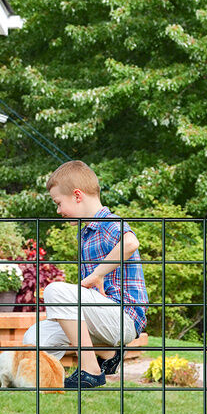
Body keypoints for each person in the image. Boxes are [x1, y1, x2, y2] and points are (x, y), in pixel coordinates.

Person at [22, 160, 148, 389]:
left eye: (59, 203)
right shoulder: (85, 235)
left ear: (77, 196)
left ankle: (91, 370)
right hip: (101, 318)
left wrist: (98, 274)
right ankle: (107, 353)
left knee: (55, 290)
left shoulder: (108, 223)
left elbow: (131, 242)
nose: (58, 210)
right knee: (33, 339)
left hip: (124, 317)